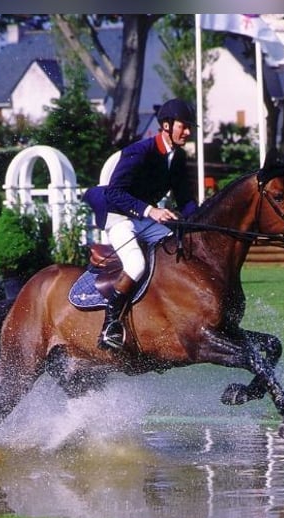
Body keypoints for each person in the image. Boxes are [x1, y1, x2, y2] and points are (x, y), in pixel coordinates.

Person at [83, 98, 198, 351]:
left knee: (174, 247)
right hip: (118, 215)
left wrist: (200, 222)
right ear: (166, 126)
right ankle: (110, 327)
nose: (188, 132)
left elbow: (186, 198)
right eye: (184, 126)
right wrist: (150, 210)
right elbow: (114, 193)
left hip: (144, 218)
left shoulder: (176, 158)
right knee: (136, 264)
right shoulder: (140, 151)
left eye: (190, 127)